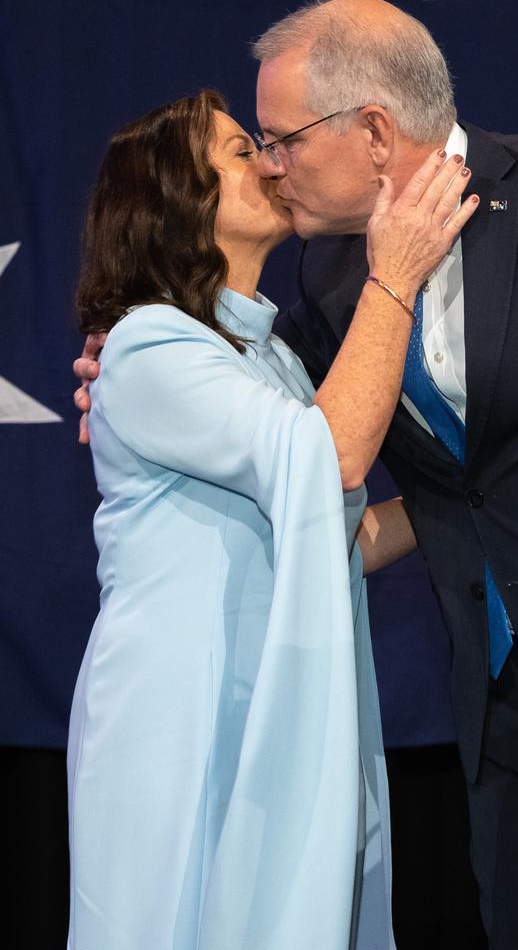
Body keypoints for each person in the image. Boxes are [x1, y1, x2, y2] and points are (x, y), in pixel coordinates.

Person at [247, 0, 518, 949]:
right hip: (500, 710)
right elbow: (282, 432)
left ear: (376, 132)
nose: (268, 167)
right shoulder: (333, 281)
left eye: (281, 140)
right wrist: (143, 356)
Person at [67, 87, 477, 950]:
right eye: (243, 151)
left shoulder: (277, 360)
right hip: (186, 722)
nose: (274, 160)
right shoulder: (145, 345)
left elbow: (345, 532)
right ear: (182, 199)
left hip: (281, 708)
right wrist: (394, 275)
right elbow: (330, 459)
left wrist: (480, 498)